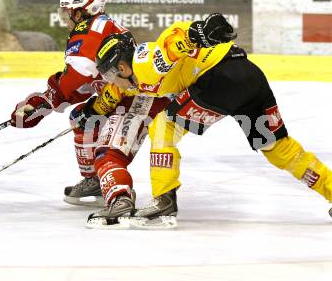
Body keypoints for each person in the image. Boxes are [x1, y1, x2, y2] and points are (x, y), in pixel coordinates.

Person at [84, 14, 332, 229]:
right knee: (278, 147)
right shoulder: (134, 77)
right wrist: (91, 111)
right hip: (248, 76)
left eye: (109, 73)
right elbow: (118, 92)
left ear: (123, 66)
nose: (109, 80)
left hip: (220, 80)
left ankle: (164, 200)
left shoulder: (144, 61)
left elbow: (172, 44)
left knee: (163, 126)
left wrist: (196, 32)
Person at [10, 0, 136, 206]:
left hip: (130, 100)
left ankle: (117, 192)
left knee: (108, 153)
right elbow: (87, 83)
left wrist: (44, 102)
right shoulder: (103, 26)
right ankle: (95, 180)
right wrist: (48, 101)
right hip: (121, 95)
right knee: (83, 117)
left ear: (81, 11)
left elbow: (75, 79)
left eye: (68, 12)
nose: (66, 18)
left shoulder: (88, 31)